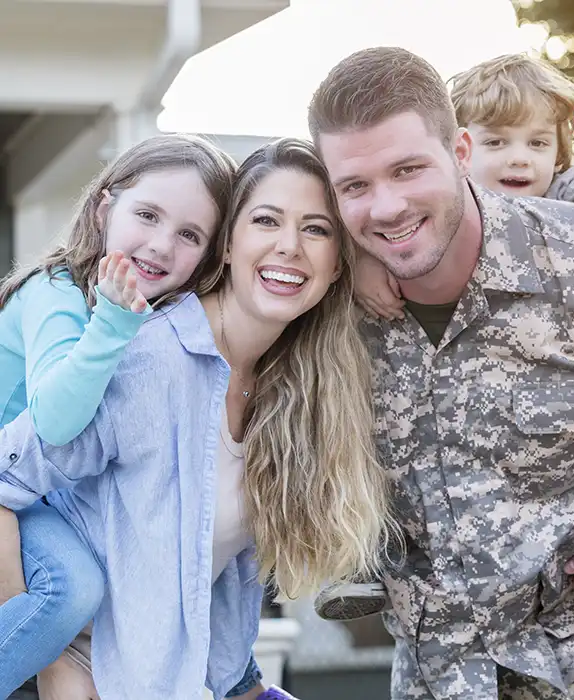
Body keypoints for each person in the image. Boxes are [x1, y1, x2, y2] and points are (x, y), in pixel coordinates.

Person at [306, 46, 574, 698]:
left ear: (459, 153)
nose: (386, 206)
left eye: (409, 169)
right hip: (450, 668)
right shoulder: (321, 298)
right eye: (356, 186)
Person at [0, 137, 396, 699]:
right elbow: (8, 472)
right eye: (266, 220)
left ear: (338, 265)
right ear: (228, 246)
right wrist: (53, 647)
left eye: (316, 229)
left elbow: (200, 574)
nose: (290, 247)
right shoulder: (146, 358)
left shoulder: (294, 387)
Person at [0, 133, 263, 699]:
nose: (162, 245)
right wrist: (112, 324)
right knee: (70, 590)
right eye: (147, 214)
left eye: (190, 234)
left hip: (38, 503)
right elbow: (55, 420)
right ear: (104, 208)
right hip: (11, 491)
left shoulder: (161, 328)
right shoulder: (57, 292)